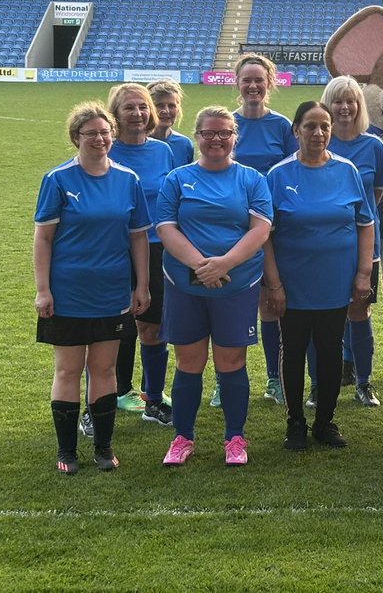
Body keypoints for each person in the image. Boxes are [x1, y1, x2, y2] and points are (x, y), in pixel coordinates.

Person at [34, 102, 150, 473]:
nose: (99, 139)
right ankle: (66, 451)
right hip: (68, 291)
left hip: (112, 291)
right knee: (68, 370)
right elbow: (43, 238)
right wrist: (43, 289)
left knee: (104, 370)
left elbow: (138, 238)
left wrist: (142, 285)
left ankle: (103, 448)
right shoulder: (58, 179)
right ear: (76, 138)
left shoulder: (128, 179)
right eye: (91, 134)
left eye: (105, 132)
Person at [156, 106, 273, 467]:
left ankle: (234, 437)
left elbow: (260, 229)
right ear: (197, 136)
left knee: (231, 361)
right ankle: (182, 436)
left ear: (234, 137)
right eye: (209, 133)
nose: (216, 140)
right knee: (188, 361)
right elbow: (165, 227)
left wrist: (224, 264)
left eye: (224, 133)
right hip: (185, 284)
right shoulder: (177, 178)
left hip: (236, 284)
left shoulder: (252, 179)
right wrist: (200, 265)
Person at [265, 101, 375, 450]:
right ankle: (295, 421)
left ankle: (325, 421)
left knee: (330, 350)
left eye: (324, 126)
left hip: (335, 280)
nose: (318, 133)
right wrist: (275, 283)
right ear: (296, 130)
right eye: (310, 126)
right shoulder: (278, 175)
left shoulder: (347, 171)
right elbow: (264, 234)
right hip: (293, 283)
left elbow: (365, 223)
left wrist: (362, 274)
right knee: (294, 349)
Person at [108, 83, 176, 427]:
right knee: (114, 328)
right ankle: (111, 397)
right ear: (115, 115)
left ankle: (153, 398)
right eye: (128, 108)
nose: (137, 114)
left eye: (142, 107)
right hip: (115, 249)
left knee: (152, 329)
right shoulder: (106, 149)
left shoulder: (163, 151)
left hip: (156, 248)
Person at [231, 53, 296, 407]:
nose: (253, 85)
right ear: (237, 83)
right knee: (232, 305)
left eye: (259, 79)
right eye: (247, 80)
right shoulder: (227, 124)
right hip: (230, 228)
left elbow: (295, 171)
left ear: (270, 83)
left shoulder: (283, 126)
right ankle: (225, 378)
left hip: (274, 229)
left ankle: (274, 377)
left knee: (271, 303)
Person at [322, 75, 383, 408]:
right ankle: (321, 383)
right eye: (338, 100)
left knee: (359, 312)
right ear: (328, 105)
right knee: (320, 314)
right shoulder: (319, 142)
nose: (344, 107)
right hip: (323, 245)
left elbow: (375, 195)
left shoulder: (374, 146)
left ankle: (364, 383)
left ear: (360, 106)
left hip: (364, 244)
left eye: (351, 100)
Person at [147, 79, 195, 166]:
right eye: (159, 105)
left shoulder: (184, 144)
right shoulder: (136, 143)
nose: (166, 111)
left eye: (171, 106)